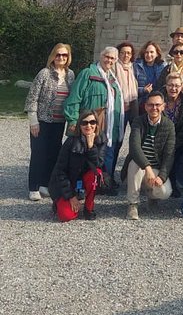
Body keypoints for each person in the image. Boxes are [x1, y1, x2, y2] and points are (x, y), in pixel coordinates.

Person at [64, 46, 124, 186]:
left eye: (112, 58)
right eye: (107, 57)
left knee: (103, 152)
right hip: (89, 122)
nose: (109, 60)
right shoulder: (88, 73)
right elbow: (75, 97)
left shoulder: (112, 78)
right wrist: (73, 120)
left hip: (108, 122)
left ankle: (104, 182)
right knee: (83, 152)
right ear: (101, 56)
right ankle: (80, 184)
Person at [25, 43, 75, 201]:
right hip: (42, 121)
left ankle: (44, 184)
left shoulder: (70, 75)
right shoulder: (44, 73)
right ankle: (33, 187)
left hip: (59, 122)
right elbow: (32, 98)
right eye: (58, 54)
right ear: (53, 56)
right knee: (39, 153)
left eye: (64, 55)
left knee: (53, 154)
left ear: (68, 57)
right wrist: (33, 121)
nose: (61, 57)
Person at [48, 109, 105, 222]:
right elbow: (60, 171)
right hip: (69, 182)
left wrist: (91, 147)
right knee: (66, 216)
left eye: (92, 122)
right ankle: (59, 203)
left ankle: (89, 208)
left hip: (86, 180)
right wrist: (71, 196)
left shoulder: (101, 139)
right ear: (80, 125)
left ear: (97, 124)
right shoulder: (70, 142)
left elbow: (98, 164)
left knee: (96, 173)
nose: (88, 126)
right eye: (84, 123)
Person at [126, 91, 176, 220]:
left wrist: (162, 176)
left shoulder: (169, 125)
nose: (154, 108)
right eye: (151, 105)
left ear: (163, 106)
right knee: (134, 165)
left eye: (157, 105)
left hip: (156, 168)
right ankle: (133, 204)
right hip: (141, 166)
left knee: (165, 192)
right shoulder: (138, 121)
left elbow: (169, 155)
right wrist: (147, 168)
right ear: (146, 106)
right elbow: (134, 148)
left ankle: (151, 196)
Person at [162, 70, 183, 193]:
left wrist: (174, 144)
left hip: (178, 138)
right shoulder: (159, 99)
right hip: (161, 137)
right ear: (166, 86)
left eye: (177, 85)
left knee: (176, 155)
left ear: (182, 87)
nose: (173, 88)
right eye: (171, 85)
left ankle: (173, 182)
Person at [113, 41, 139, 170]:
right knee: (117, 142)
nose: (126, 55)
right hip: (118, 109)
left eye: (128, 53)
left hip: (132, 107)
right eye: (122, 53)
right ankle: (109, 173)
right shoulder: (114, 67)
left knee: (135, 140)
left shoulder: (133, 68)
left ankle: (129, 170)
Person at [134, 40, 167, 111]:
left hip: (157, 104)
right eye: (146, 52)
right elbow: (131, 88)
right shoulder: (136, 66)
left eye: (152, 52)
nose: (149, 55)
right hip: (141, 103)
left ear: (157, 54)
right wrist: (143, 90)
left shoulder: (162, 66)